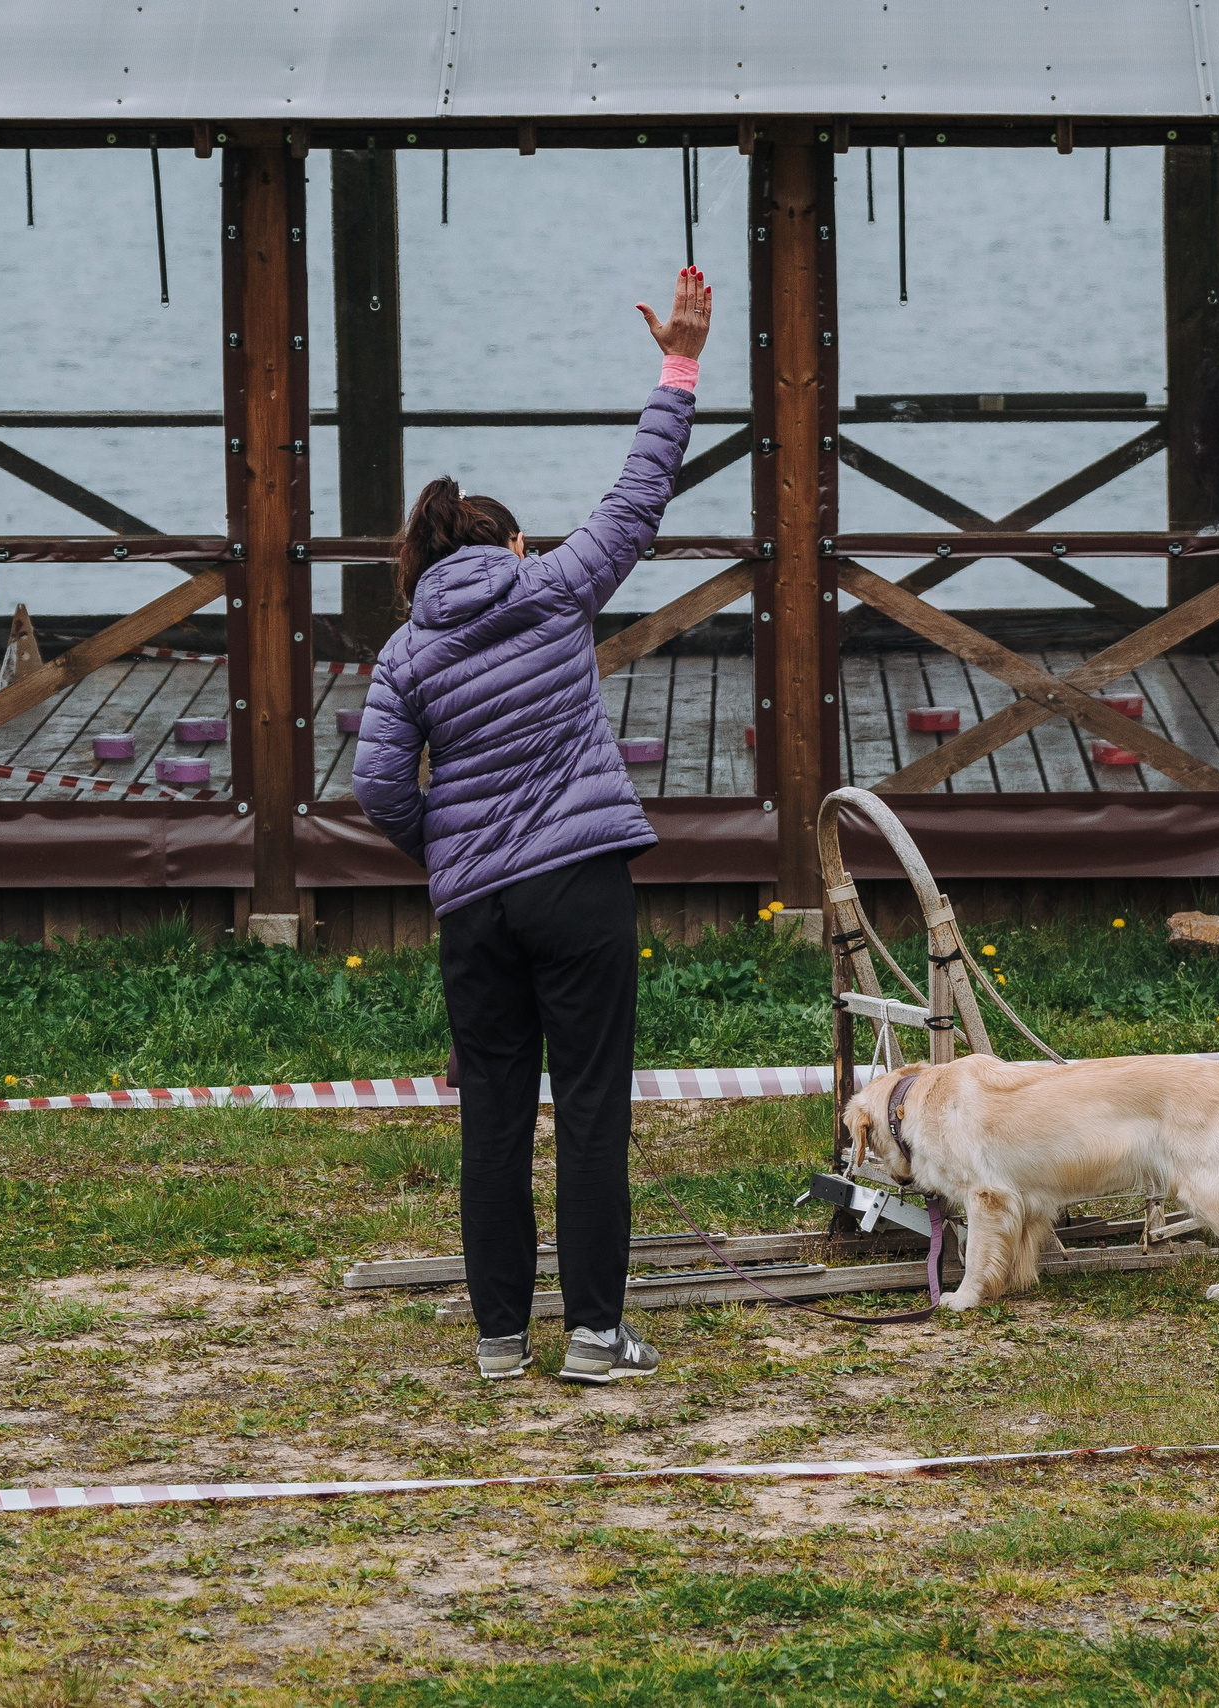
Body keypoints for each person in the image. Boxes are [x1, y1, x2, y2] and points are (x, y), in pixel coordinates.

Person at [353, 266, 714, 1385]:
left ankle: (501, 1341)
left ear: (421, 563)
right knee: (593, 1107)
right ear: (508, 547)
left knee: (494, 1118)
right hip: (578, 885)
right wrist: (681, 362)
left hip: (477, 910)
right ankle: (598, 1336)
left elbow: (377, 787)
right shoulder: (555, 590)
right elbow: (641, 491)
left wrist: (447, 846)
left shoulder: (404, 650)